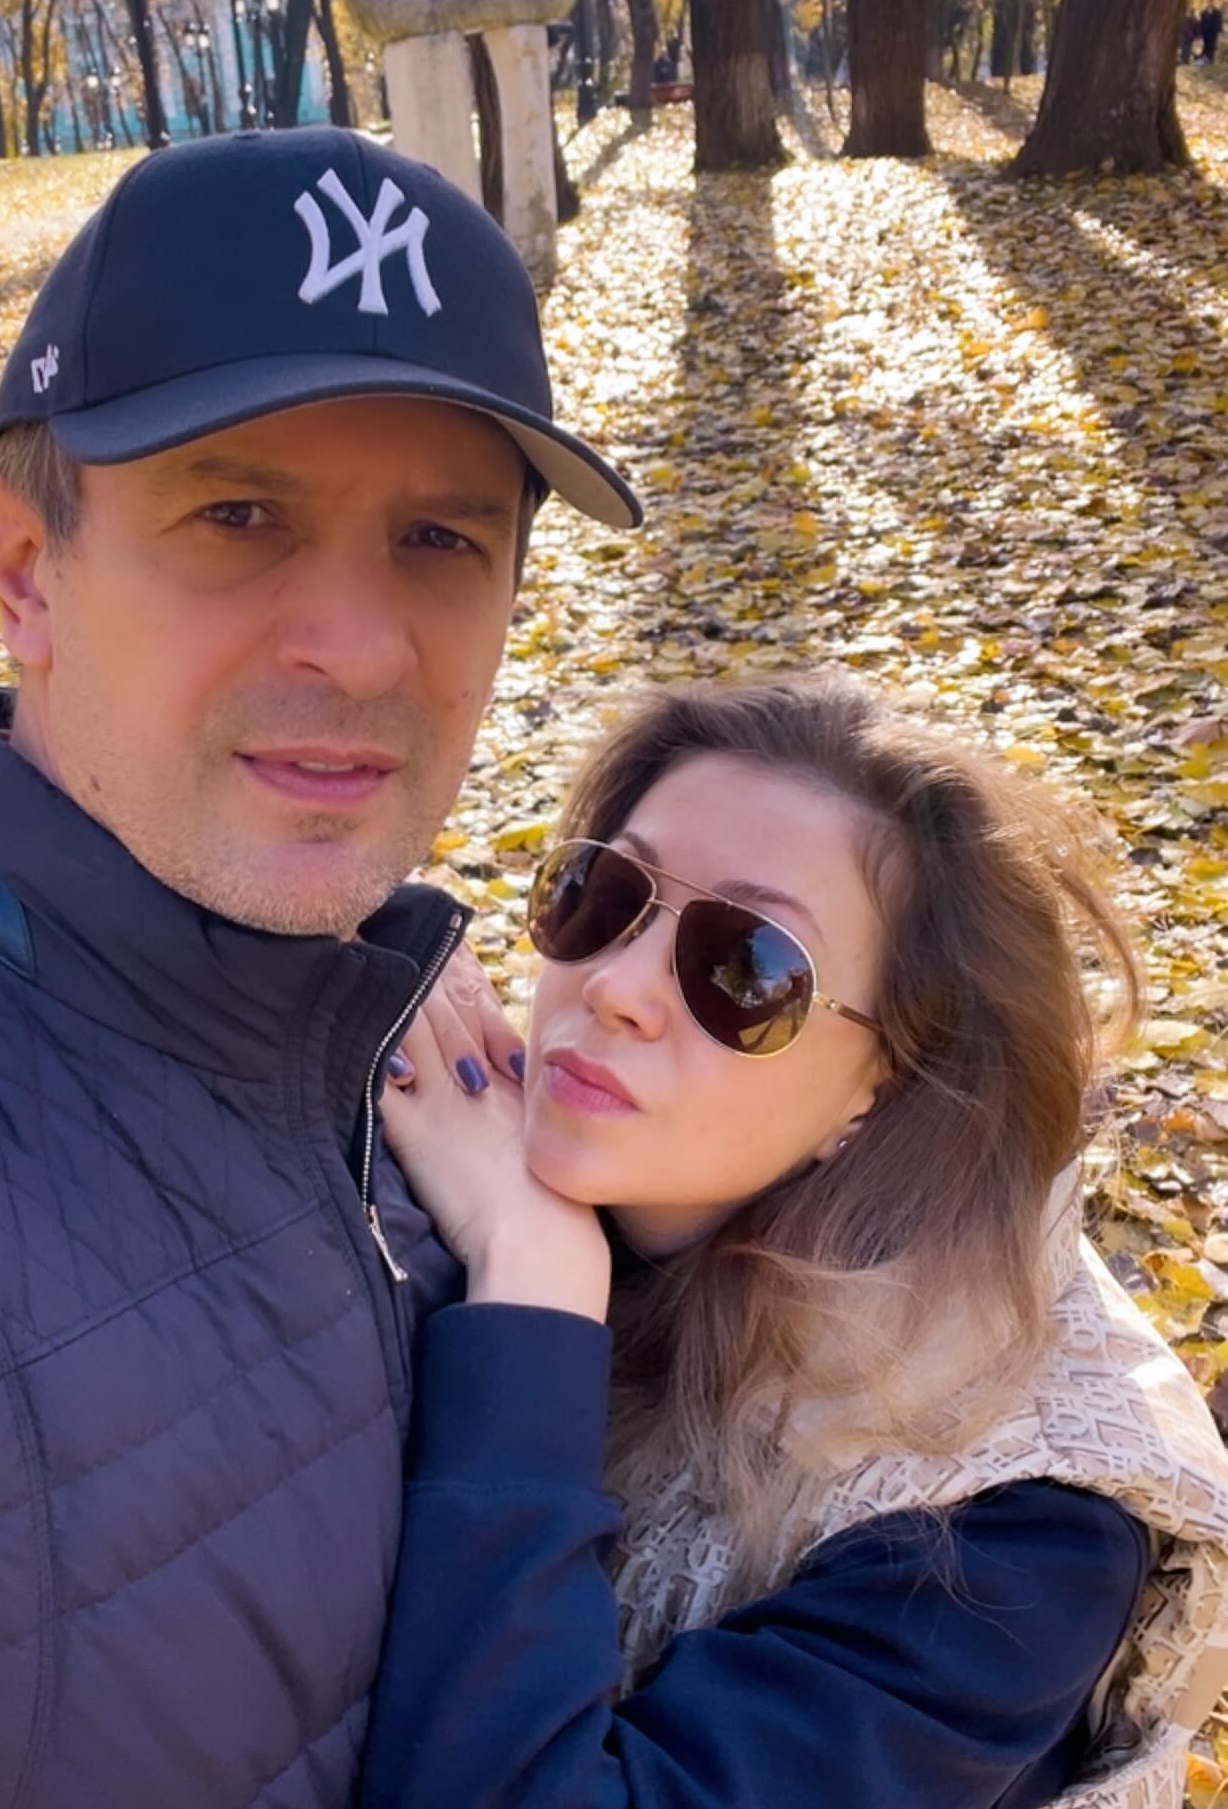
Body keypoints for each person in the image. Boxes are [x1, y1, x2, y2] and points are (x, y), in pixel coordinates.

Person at [0, 127, 639, 1809]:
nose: (362, 647)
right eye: (237, 515)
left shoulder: (438, 1061)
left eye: (442, 540)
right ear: (26, 569)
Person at [365, 671, 1228, 1809]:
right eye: (603, 894)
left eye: (748, 970)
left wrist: (531, 1292)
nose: (613, 985)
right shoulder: (423, 1148)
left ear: (890, 1083)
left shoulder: (1014, 1539)